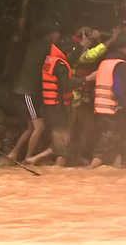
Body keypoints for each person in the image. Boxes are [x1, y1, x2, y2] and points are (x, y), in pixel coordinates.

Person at [26, 38, 97, 166]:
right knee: (63, 150)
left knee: (61, 143)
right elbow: (66, 86)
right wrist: (87, 78)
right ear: (66, 52)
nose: (71, 54)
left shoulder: (52, 60)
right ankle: (54, 172)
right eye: (70, 51)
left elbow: (70, 60)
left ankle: (35, 159)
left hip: (50, 108)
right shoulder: (61, 66)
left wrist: (85, 43)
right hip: (57, 111)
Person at [90, 33, 126, 169]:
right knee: (102, 153)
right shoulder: (120, 64)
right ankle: (88, 174)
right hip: (112, 112)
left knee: (125, 146)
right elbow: (120, 92)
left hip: (101, 110)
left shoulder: (104, 62)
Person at [9, 20, 63, 162]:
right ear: (50, 34)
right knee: (40, 127)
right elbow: (64, 57)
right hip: (28, 92)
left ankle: (14, 153)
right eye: (57, 32)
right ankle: (28, 158)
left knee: (31, 127)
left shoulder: (33, 44)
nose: (58, 35)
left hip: (21, 90)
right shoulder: (47, 46)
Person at [70, 26, 119, 157]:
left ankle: (77, 155)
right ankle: (65, 157)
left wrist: (93, 40)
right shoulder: (73, 49)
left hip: (80, 98)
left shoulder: (81, 47)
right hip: (71, 98)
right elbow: (89, 56)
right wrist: (111, 40)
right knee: (70, 130)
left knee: (88, 126)